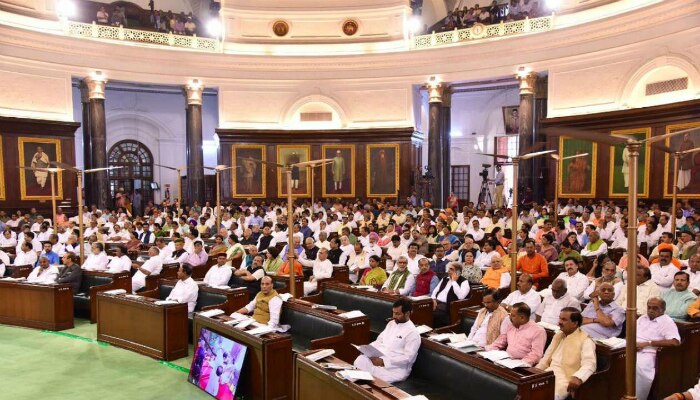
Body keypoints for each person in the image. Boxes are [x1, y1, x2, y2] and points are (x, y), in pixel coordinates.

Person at [353, 298, 421, 383]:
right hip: (379, 360)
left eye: (397, 314)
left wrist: (383, 362)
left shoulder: (413, 333)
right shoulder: (391, 324)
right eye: (393, 312)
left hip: (395, 370)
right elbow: (379, 341)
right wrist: (367, 350)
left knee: (367, 378)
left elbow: (408, 358)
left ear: (407, 313)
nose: (394, 316)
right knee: (360, 360)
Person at [536, 308, 597, 400]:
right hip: (548, 373)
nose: (559, 322)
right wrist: (534, 372)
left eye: (564, 320)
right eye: (560, 318)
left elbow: (590, 364)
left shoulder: (586, 340)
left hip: (566, 378)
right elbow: (546, 358)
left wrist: (578, 378)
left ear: (575, 323)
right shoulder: (558, 335)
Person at [636, 297, 681, 400]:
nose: (651, 310)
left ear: (663, 310)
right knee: (617, 361)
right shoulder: (642, 318)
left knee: (638, 366)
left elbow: (675, 342)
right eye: (649, 307)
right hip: (632, 347)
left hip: (649, 352)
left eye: (655, 308)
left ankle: (637, 397)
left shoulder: (667, 322)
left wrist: (648, 343)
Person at [486, 303, 546, 367]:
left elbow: (536, 354)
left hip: (522, 366)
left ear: (522, 318)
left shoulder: (538, 331)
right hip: (505, 361)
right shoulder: (511, 326)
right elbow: (500, 341)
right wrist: (488, 350)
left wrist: (520, 363)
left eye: (513, 316)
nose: (509, 317)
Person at [431, 262, 470, 327]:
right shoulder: (445, 279)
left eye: (451, 269)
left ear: (458, 272)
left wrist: (454, 281)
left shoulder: (464, 282)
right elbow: (435, 290)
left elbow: (461, 297)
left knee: (432, 313)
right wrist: (433, 299)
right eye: (448, 269)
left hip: (448, 305)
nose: (448, 271)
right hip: (436, 302)